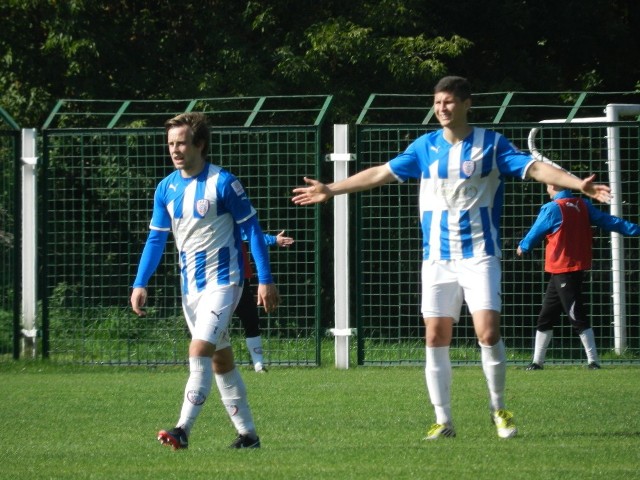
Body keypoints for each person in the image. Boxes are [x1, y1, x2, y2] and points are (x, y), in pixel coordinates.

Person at [292, 76, 611, 440]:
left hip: (480, 256)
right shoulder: (425, 147)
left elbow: (535, 168)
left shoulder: (491, 145)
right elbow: (380, 172)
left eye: (448, 102)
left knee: (488, 332)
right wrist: (331, 189)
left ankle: (498, 408)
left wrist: (576, 183)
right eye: (437, 102)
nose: (441, 109)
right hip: (438, 259)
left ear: (466, 103)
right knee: (435, 335)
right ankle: (443, 421)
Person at [130, 112, 280, 450]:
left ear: (200, 144)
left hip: (224, 281)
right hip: (191, 289)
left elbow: (252, 232)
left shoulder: (224, 183)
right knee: (220, 360)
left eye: (181, 142)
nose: (175, 149)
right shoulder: (166, 188)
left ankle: (182, 429)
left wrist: (265, 279)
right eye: (170, 143)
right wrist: (140, 282)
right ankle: (249, 436)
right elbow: (156, 240)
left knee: (199, 349)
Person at [517, 183, 640, 370]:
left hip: (564, 268)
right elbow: (609, 221)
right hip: (568, 269)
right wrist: (634, 229)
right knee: (546, 316)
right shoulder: (582, 204)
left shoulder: (552, 208)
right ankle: (537, 362)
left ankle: (593, 361)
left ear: (555, 186)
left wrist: (524, 246)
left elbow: (536, 230)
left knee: (576, 314)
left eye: (548, 185)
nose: (547, 189)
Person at [238, 230, 293, 372]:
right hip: (213, 282)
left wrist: (274, 240)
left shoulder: (230, 216)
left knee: (250, 319)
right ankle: (209, 363)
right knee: (216, 325)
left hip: (239, 278)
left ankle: (259, 365)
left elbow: (251, 234)